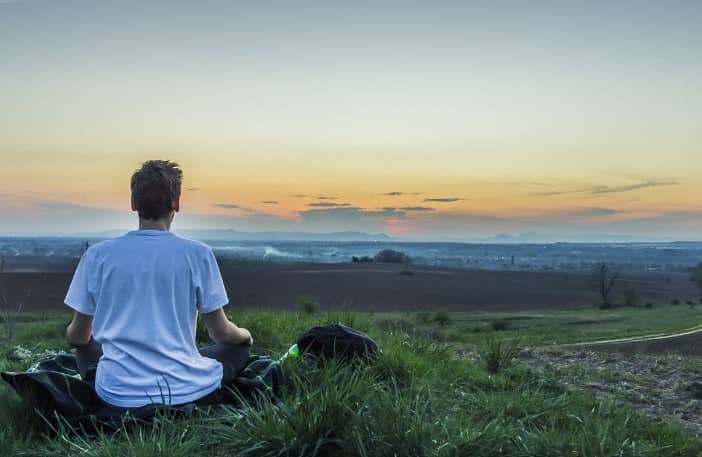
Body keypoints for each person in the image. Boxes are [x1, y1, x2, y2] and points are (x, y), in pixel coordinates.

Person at [64, 160, 253, 409]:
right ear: (176, 203)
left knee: (84, 346)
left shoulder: (98, 255)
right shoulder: (198, 254)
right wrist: (245, 336)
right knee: (238, 350)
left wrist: (87, 340)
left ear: (133, 204)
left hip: (116, 394)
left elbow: (78, 336)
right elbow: (221, 334)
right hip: (185, 390)